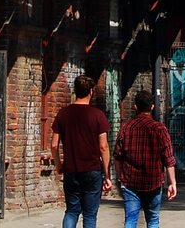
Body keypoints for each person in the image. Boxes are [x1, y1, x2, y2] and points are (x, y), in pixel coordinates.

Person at [52, 74, 113, 228]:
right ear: (91, 92)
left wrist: (59, 164)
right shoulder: (98, 116)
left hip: (71, 169)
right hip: (92, 170)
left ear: (75, 91)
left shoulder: (63, 114)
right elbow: (103, 147)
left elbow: (54, 145)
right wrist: (107, 174)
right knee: (90, 215)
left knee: (72, 211)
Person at [114, 89, 177, 228]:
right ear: (152, 107)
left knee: (130, 220)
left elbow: (117, 156)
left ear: (135, 107)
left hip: (130, 182)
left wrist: (120, 176)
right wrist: (173, 183)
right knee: (153, 220)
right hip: (153, 181)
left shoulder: (126, 128)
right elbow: (168, 159)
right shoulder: (160, 129)